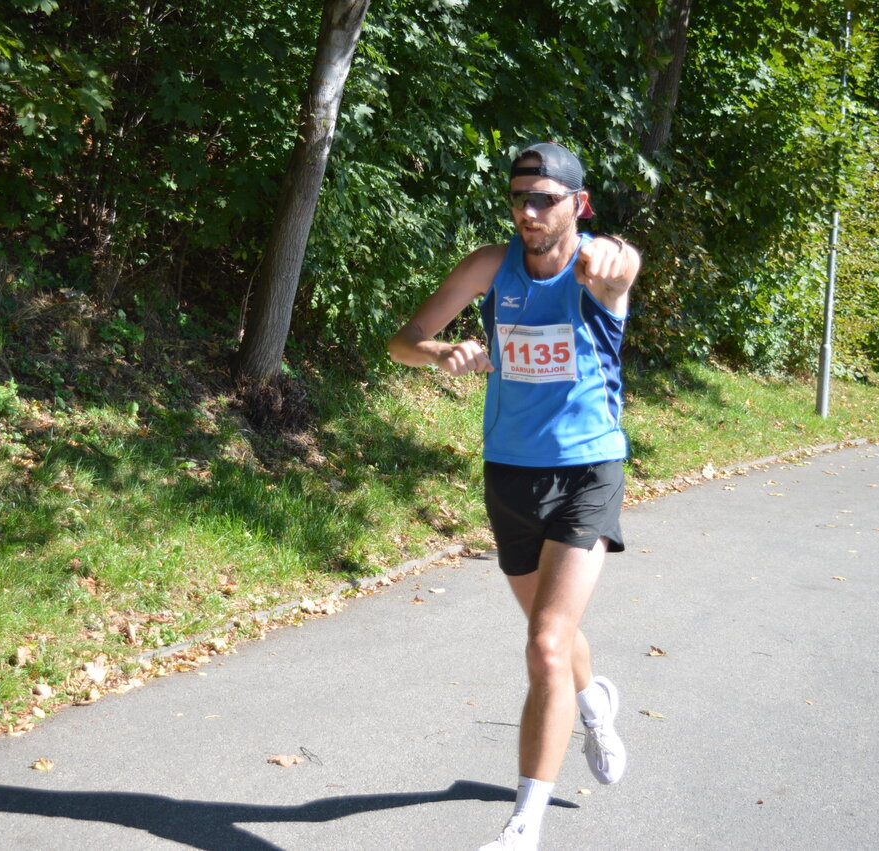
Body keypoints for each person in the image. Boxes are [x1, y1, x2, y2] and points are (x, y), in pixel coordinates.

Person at [388, 141, 641, 850]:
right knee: (552, 636)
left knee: (544, 643)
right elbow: (403, 340)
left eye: (544, 200)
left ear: (578, 205)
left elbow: (621, 267)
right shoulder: (488, 267)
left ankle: (523, 825)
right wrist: (441, 353)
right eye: (518, 199)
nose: (528, 212)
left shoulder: (592, 268)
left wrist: (618, 258)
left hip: (587, 470)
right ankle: (594, 701)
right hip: (509, 474)